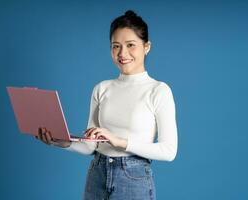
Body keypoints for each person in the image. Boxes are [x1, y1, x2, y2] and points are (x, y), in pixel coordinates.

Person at [36, 10, 178, 200]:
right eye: (116, 46)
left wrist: (118, 141)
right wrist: (59, 141)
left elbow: (169, 151)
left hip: (133, 177)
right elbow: (89, 146)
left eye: (131, 45)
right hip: (97, 173)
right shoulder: (102, 88)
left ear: (147, 47)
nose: (122, 53)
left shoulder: (158, 90)